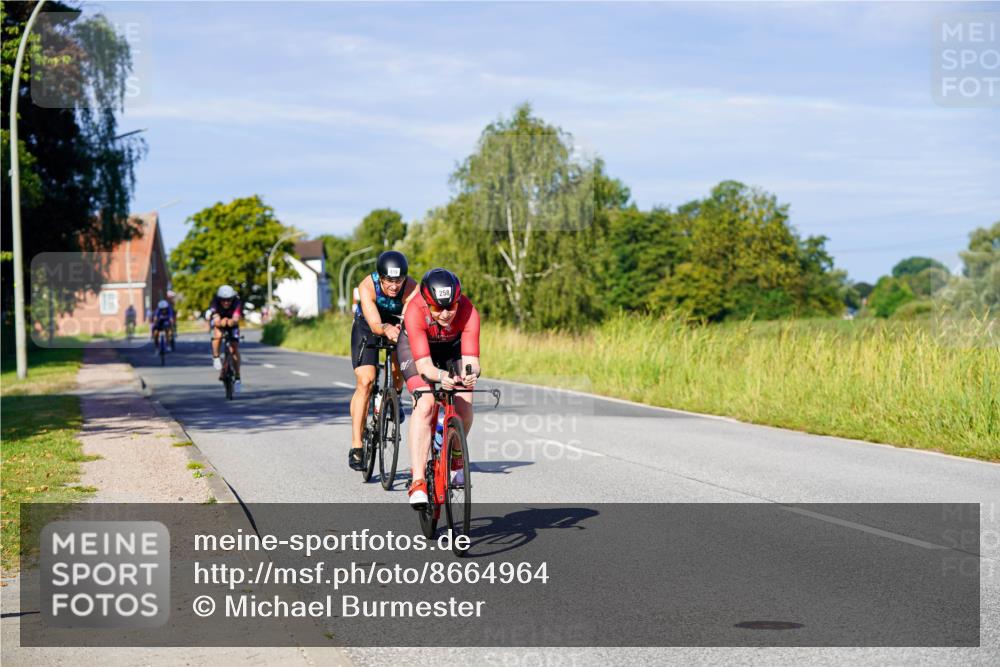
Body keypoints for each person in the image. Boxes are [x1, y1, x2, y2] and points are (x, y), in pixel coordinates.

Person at [396, 268, 480, 508]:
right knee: (426, 404)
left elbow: (472, 360)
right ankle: (418, 481)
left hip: (451, 347)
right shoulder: (415, 311)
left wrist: (470, 374)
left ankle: (455, 459)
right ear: (426, 302)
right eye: (437, 308)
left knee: (464, 405)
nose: (445, 314)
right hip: (417, 350)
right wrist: (442, 376)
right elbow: (424, 366)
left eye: (450, 307)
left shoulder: (468, 311)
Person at [348, 250, 418, 471]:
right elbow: (377, 325)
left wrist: (403, 330)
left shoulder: (412, 288)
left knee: (401, 369)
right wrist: (385, 328)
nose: (394, 286)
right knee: (366, 381)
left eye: (398, 280)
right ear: (380, 277)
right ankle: (357, 446)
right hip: (368, 325)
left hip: (397, 325)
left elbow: (409, 318)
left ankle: (393, 398)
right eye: (389, 280)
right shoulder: (367, 286)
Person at [207, 285, 242, 392]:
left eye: (229, 300)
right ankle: (216, 357)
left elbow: (235, 319)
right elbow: (217, 320)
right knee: (218, 335)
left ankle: (237, 377)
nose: (226, 302)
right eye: (223, 300)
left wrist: (229, 321)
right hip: (220, 322)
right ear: (219, 299)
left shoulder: (237, 302)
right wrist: (224, 321)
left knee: (234, 349)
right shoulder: (215, 302)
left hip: (232, 323)